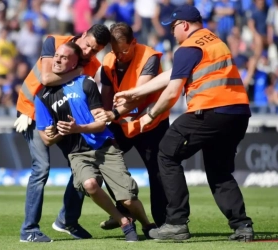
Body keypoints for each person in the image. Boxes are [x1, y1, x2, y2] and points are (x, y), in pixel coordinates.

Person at [113, 5, 254, 241]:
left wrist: (148, 116)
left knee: (166, 153)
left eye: (174, 27)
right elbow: (171, 74)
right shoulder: (214, 41)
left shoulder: (188, 47)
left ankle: (176, 223)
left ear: (184, 25)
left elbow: (171, 93)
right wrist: (135, 93)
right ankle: (242, 226)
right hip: (238, 113)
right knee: (219, 170)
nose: (172, 32)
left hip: (209, 110)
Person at [34, 42, 156, 242]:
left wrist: (77, 128)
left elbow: (101, 124)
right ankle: (124, 222)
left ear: (74, 63)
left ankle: (146, 224)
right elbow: (47, 140)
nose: (57, 59)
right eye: (56, 55)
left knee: (128, 198)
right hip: (77, 153)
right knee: (90, 184)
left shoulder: (85, 83)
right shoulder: (41, 96)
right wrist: (61, 132)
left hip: (104, 147)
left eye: (64, 57)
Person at [14, 24, 111, 243]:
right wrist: (77, 72)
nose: (88, 53)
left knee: (82, 167)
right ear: (83, 34)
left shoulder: (93, 64)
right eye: (87, 46)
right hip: (31, 113)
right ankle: (28, 229)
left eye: (94, 51)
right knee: (41, 168)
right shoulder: (54, 41)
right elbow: (46, 79)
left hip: (64, 118)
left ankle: (67, 220)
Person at [94, 22, 169, 229]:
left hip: (151, 123)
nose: (119, 56)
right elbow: (106, 94)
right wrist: (102, 118)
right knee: (107, 162)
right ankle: (124, 211)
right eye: (115, 51)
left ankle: (165, 223)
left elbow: (140, 94)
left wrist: (114, 113)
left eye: (124, 51)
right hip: (122, 123)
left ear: (134, 42)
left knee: (158, 172)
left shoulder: (149, 57)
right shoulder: (109, 60)